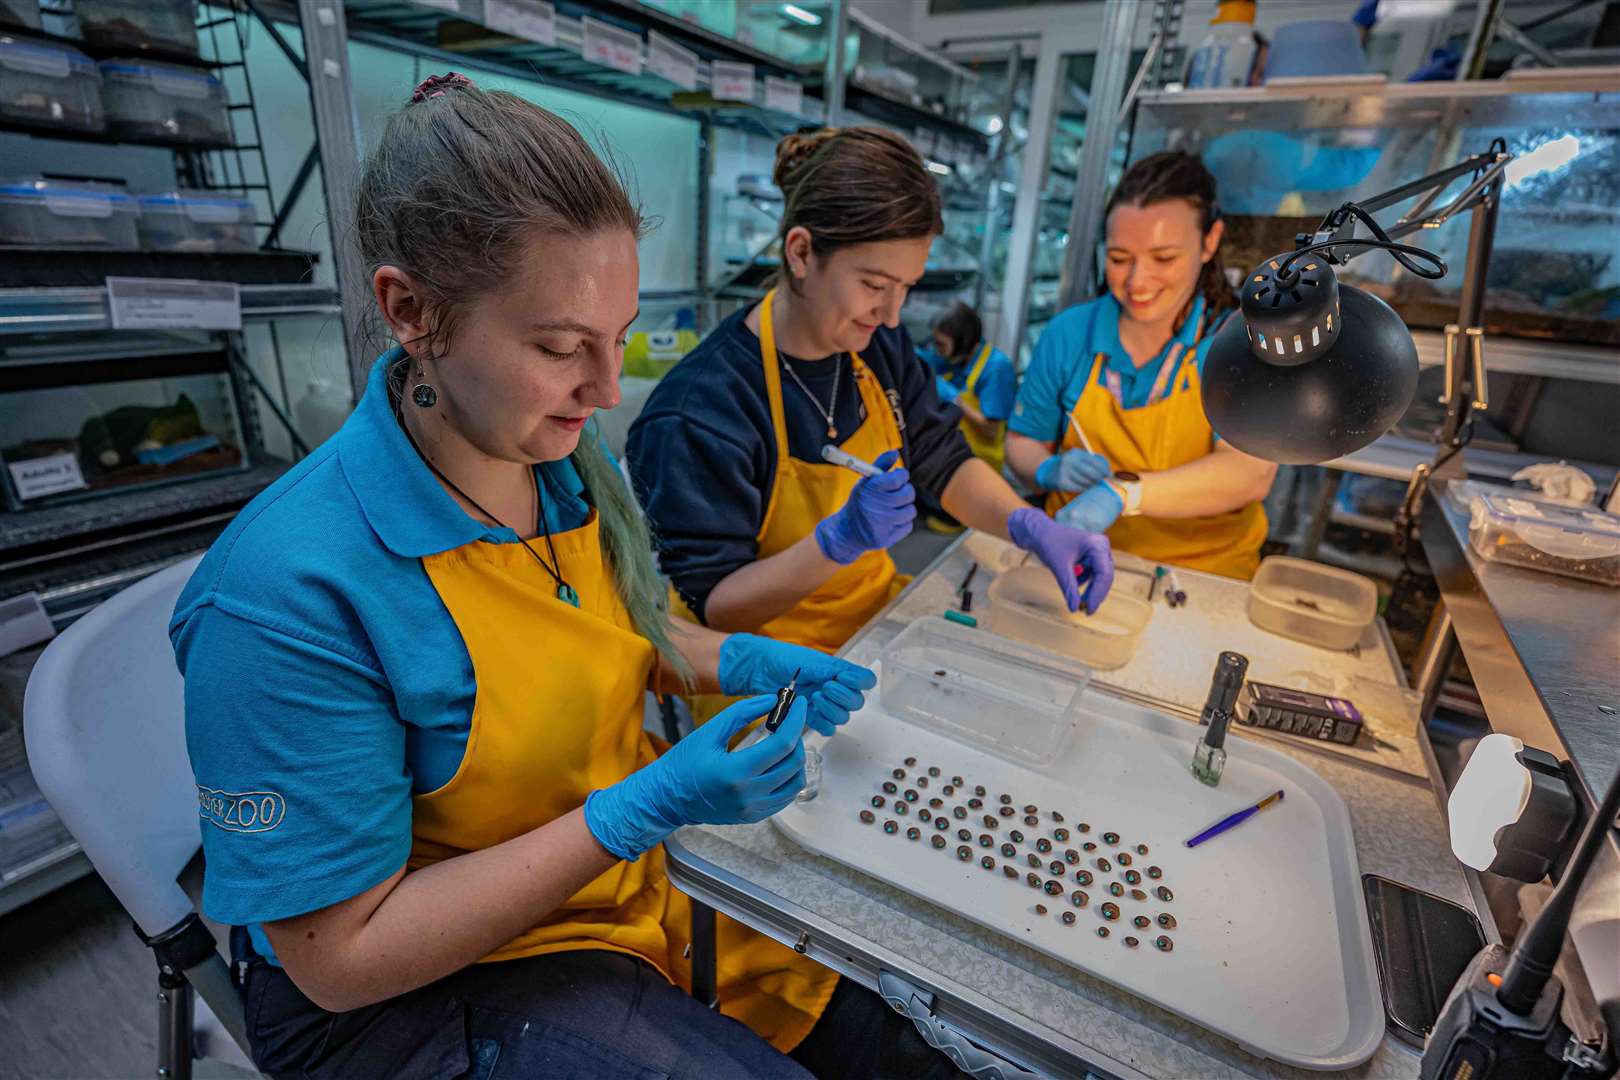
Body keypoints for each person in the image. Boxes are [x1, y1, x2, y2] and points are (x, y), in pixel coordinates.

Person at [169, 75, 953, 1080]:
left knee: (904, 1039)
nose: (606, 387)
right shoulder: (287, 594)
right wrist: (639, 808)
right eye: (558, 346)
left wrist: (742, 659)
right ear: (411, 310)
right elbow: (339, 959)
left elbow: (619, 630)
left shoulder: (564, 465)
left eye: (618, 338)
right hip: (416, 993)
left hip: (604, 893)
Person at [626, 127, 1114, 666]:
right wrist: (836, 541)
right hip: (765, 674)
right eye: (875, 286)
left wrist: (1031, 527)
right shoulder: (703, 410)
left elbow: (941, 459)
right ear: (802, 252)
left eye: (905, 288)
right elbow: (718, 608)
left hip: (874, 627)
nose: (892, 314)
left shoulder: (876, 347)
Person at [1004, 151, 1277, 580]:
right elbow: (1022, 441)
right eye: (1118, 258)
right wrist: (1045, 469)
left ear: (1210, 241)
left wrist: (1121, 493)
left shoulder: (1237, 342)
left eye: (1164, 258)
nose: (1136, 282)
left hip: (1205, 577)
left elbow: (1249, 473)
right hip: (1077, 560)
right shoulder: (1070, 334)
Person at [923, 301, 1016, 476]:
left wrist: (956, 401)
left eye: (941, 345)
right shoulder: (955, 359)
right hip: (952, 460)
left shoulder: (996, 369)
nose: (937, 351)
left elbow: (991, 430)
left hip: (982, 468)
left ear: (964, 343)